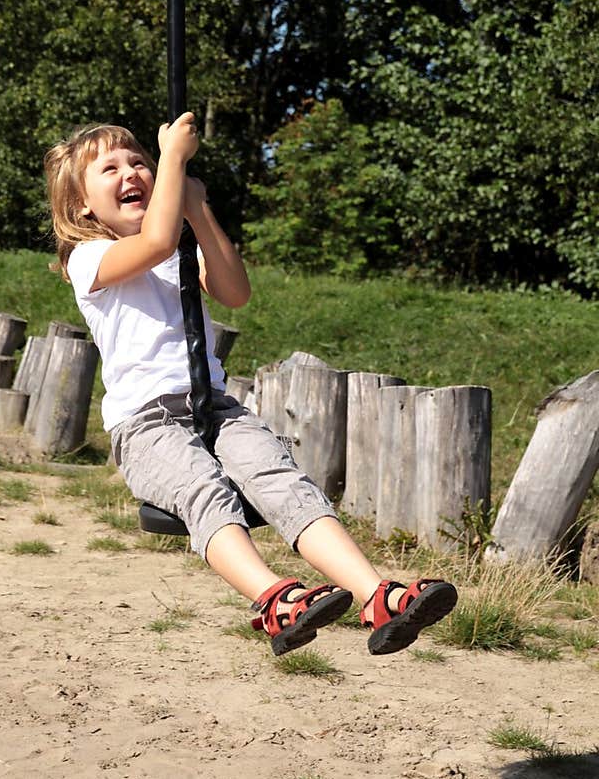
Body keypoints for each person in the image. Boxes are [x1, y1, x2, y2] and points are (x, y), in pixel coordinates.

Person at [44, 111, 458, 657]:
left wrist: (197, 205)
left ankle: (376, 594)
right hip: (147, 423)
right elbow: (156, 243)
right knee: (203, 491)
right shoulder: (90, 257)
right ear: (82, 205)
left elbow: (235, 291)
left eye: (140, 162)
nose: (133, 173)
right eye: (111, 168)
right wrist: (172, 161)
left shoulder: (177, 248)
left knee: (283, 480)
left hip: (214, 406)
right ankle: (273, 601)